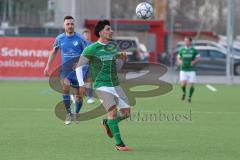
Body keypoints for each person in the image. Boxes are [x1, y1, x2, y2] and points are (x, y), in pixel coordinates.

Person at [75, 20, 132, 151]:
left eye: (111, 29)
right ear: (101, 32)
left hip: (115, 84)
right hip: (101, 85)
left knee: (126, 113)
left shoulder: (112, 47)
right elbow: (79, 66)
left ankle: (107, 123)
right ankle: (119, 144)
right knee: (112, 111)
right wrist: (81, 85)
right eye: (108, 29)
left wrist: (122, 58)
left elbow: (116, 63)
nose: (111, 31)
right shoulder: (91, 48)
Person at [44, 16, 90, 125]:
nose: (70, 26)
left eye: (72, 24)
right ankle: (68, 113)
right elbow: (54, 52)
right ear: (64, 25)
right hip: (65, 71)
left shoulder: (80, 39)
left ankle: (76, 113)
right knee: (65, 88)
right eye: (68, 24)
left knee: (79, 97)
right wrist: (47, 66)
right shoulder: (60, 38)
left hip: (78, 72)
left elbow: (88, 54)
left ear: (74, 25)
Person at [177, 37, 201, 102]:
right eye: (185, 41)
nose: (186, 42)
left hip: (191, 70)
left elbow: (199, 58)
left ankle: (189, 97)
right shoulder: (182, 50)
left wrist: (194, 61)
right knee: (183, 84)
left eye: (187, 41)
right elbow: (178, 58)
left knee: (191, 84)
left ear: (190, 42)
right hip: (183, 69)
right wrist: (180, 62)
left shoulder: (194, 50)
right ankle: (184, 93)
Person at [81, 29, 95, 104]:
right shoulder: (79, 44)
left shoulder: (92, 45)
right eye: (84, 34)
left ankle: (90, 97)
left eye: (87, 34)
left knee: (89, 82)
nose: (86, 36)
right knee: (80, 82)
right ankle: (75, 95)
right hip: (81, 67)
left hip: (89, 65)